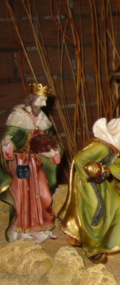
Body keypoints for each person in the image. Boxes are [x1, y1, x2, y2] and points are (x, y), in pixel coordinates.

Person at [58, 116, 120, 263]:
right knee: (95, 213)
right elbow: (79, 160)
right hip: (86, 182)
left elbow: (116, 168)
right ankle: (92, 249)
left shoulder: (115, 147)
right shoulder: (101, 147)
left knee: (119, 208)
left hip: (99, 181)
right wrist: (91, 175)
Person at [0, 83, 63, 243]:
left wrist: (53, 150)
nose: (44, 104)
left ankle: (41, 227)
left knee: (43, 194)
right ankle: (21, 230)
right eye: (41, 100)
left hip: (36, 161)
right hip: (20, 161)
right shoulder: (17, 117)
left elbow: (51, 139)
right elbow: (8, 138)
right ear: (32, 99)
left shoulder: (42, 118)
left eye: (45, 100)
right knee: (23, 196)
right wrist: (7, 144)